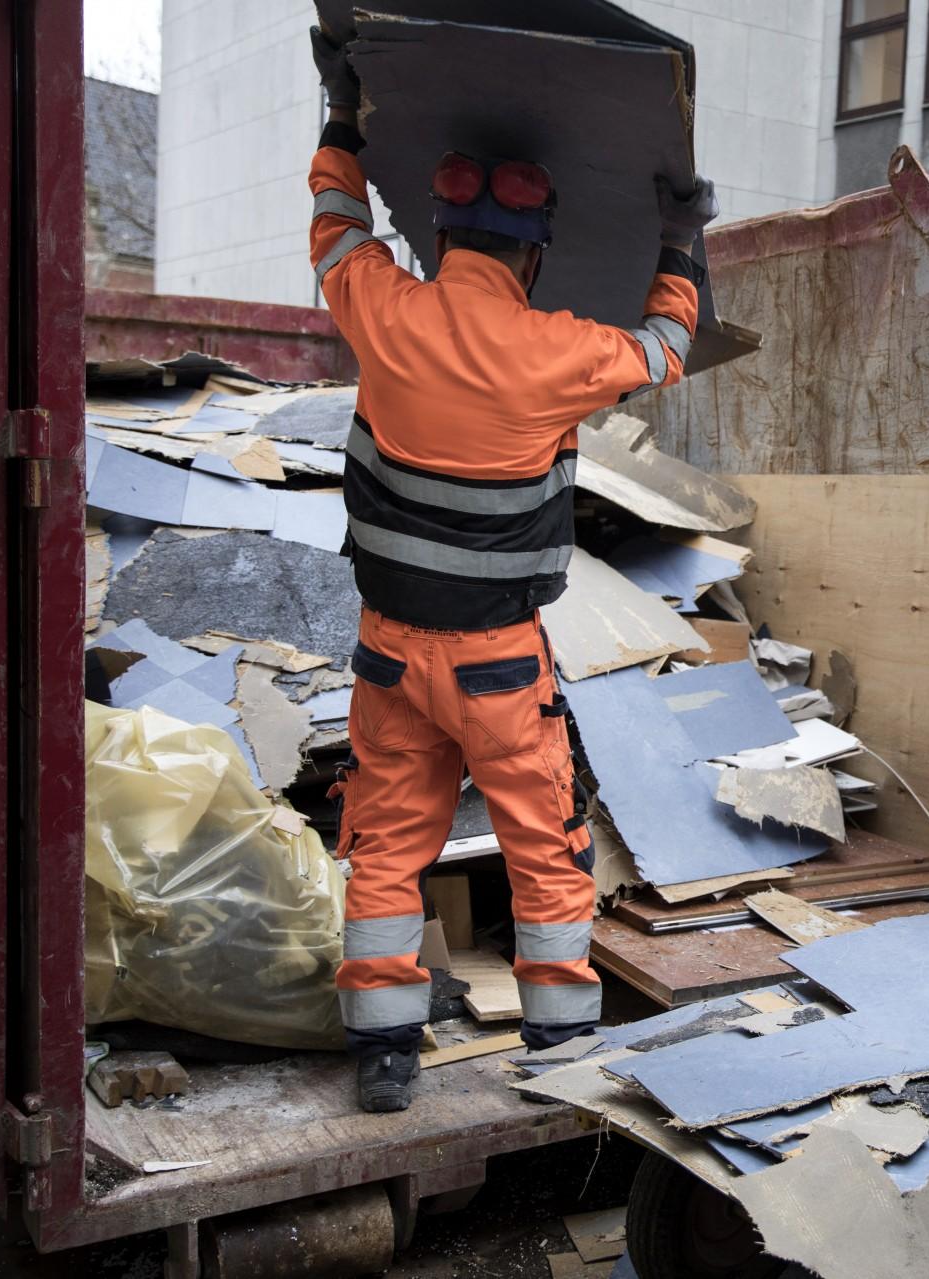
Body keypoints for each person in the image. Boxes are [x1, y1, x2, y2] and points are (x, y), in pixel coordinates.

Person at [306, 29, 719, 1112]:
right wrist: (679, 238)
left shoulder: (382, 311)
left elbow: (335, 224)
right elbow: (667, 348)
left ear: (442, 236)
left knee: (388, 843)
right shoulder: (557, 354)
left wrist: (341, 116)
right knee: (544, 842)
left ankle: (386, 1056)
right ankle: (559, 1045)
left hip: (388, 651)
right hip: (496, 662)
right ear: (532, 254)